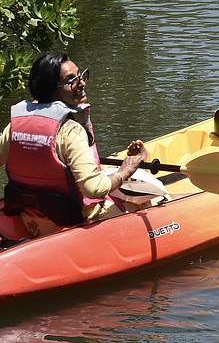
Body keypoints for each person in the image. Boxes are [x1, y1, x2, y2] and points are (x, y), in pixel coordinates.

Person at [0, 53, 148, 238]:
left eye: (81, 76)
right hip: (70, 218)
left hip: (28, 216)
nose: (82, 84)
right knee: (149, 203)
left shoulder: (14, 126)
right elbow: (94, 189)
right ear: (51, 90)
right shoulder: (70, 130)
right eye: (72, 81)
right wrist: (127, 169)